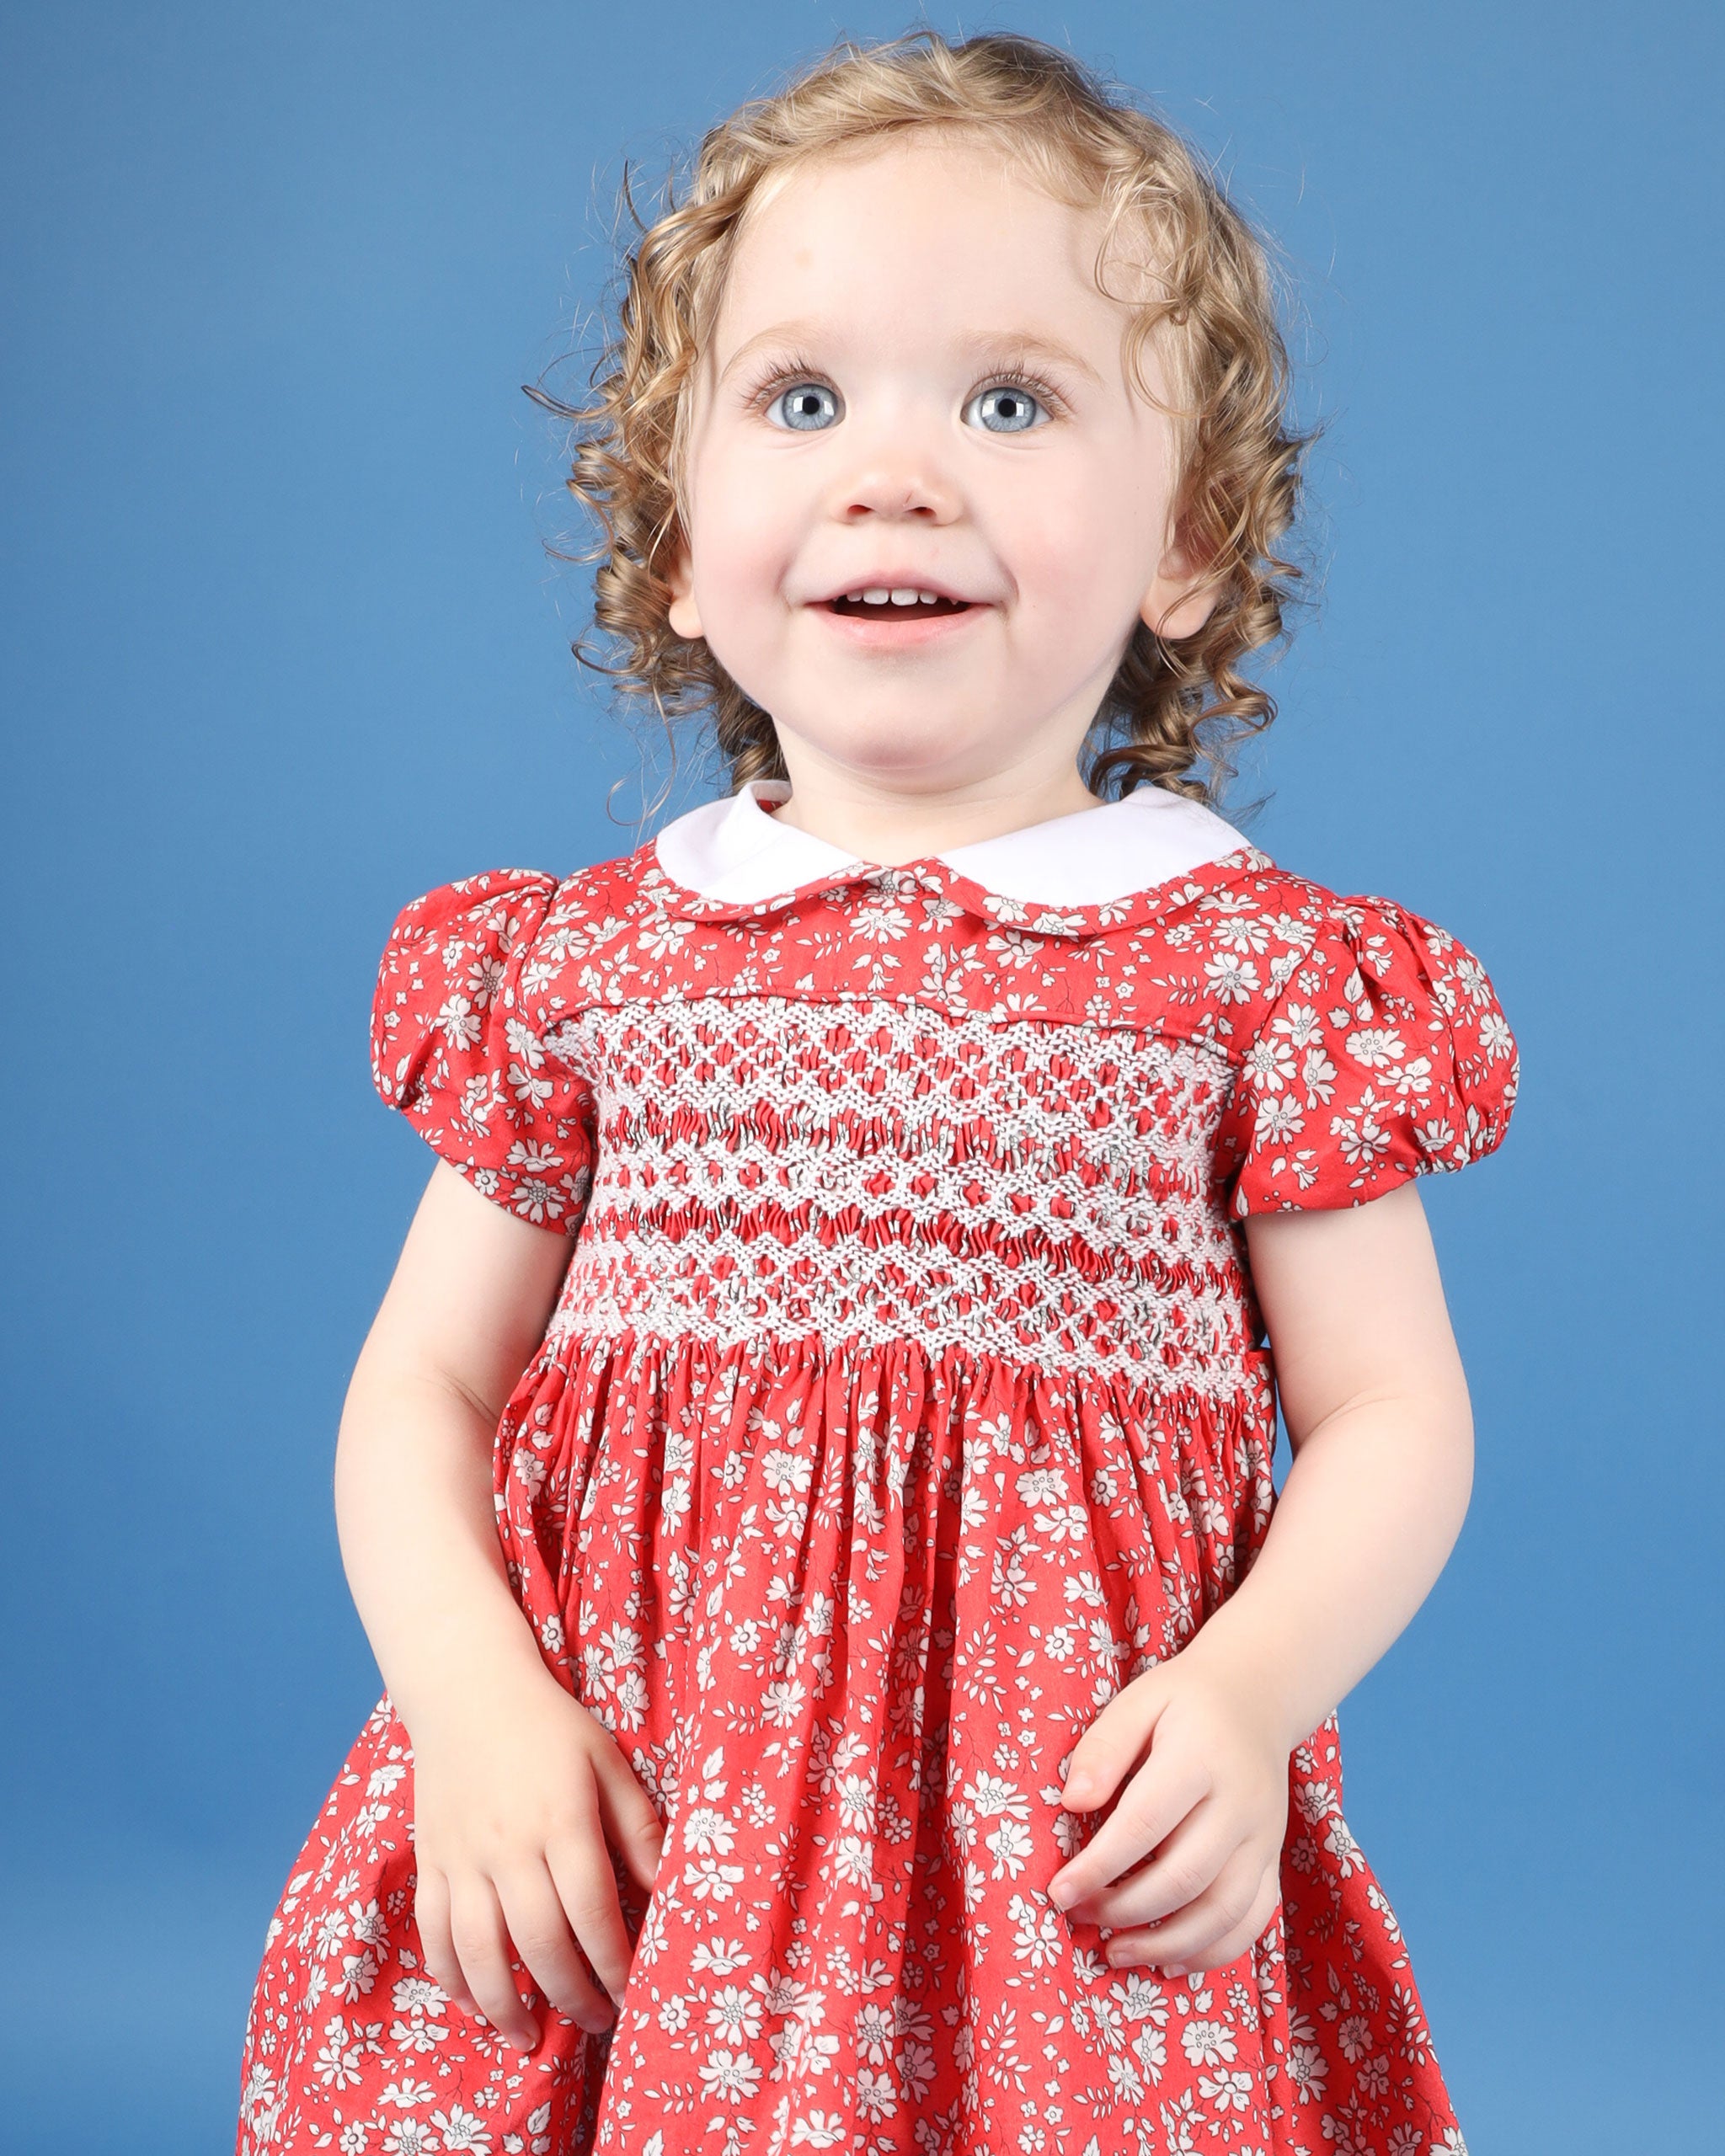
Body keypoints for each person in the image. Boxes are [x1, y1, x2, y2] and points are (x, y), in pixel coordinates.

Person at [236, 28, 1517, 2156]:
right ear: (672, 533)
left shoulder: (1244, 971)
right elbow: (420, 1391)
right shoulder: (597, 962)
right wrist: (471, 1702)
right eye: (800, 399)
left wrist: (1248, 1688)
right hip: (635, 1848)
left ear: (1186, 539)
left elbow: (1393, 1407)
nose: (890, 471)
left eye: (1007, 402)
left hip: (1046, 1872)